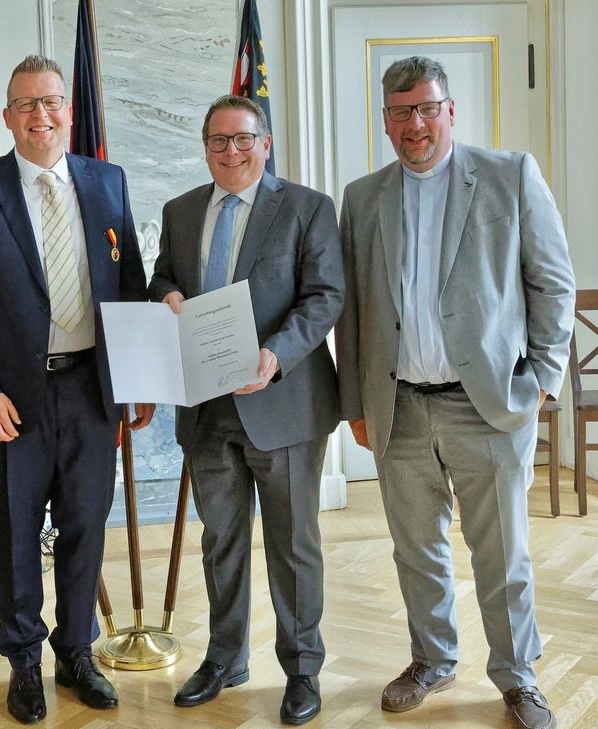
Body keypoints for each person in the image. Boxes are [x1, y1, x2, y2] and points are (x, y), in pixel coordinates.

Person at [336, 56, 575, 729]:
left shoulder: (509, 175)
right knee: (416, 548)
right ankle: (432, 658)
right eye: (400, 112)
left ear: (450, 111)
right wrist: (355, 404)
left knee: (503, 554)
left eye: (426, 108)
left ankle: (518, 676)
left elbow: (553, 282)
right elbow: (352, 311)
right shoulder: (362, 197)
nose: (415, 124)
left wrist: (542, 377)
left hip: (488, 404)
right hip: (399, 406)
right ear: (385, 122)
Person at [0, 55, 153, 725]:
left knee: (86, 526)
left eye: (51, 101)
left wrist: (138, 378)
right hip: (11, 399)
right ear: (7, 117)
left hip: (92, 391)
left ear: (68, 111)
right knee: (17, 533)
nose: (40, 114)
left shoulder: (107, 181)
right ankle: (23, 658)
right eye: (26, 104)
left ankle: (76, 650)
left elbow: (131, 284)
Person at [148, 95, 343, 725]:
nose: (231, 152)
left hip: (281, 403)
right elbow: (161, 277)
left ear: (265, 143)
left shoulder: (308, 207)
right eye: (218, 141)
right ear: (205, 147)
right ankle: (226, 658)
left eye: (243, 139)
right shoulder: (180, 211)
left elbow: (325, 296)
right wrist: (167, 294)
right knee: (221, 541)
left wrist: (275, 354)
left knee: (293, 545)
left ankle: (302, 669)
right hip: (206, 410)